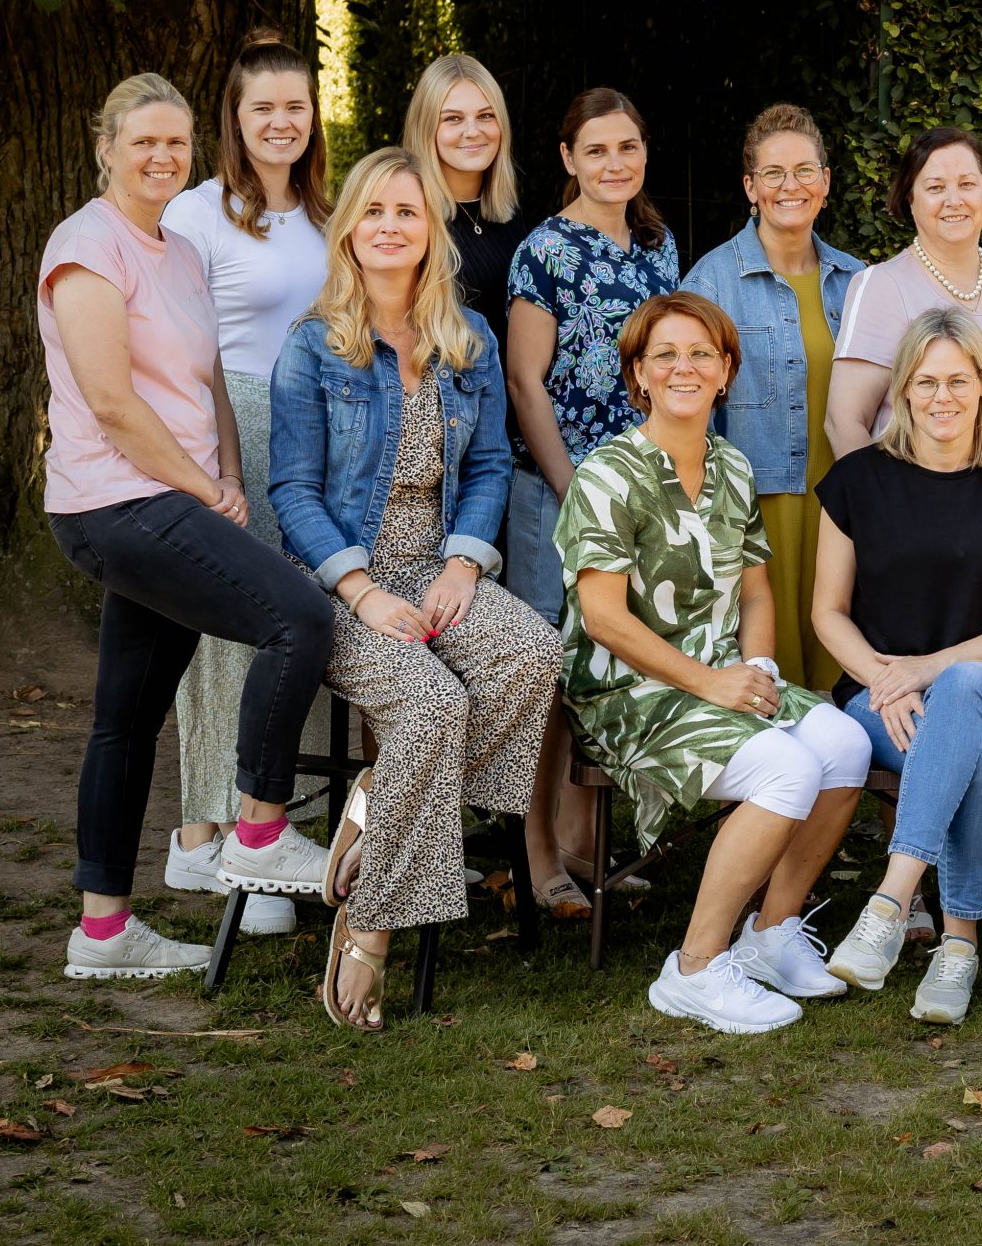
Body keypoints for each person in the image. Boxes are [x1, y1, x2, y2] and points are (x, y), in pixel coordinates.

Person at [38, 74, 333, 983]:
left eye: (176, 142)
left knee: (125, 720)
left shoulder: (175, 249)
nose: (162, 156)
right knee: (299, 618)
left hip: (174, 495)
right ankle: (259, 832)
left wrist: (229, 475)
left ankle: (102, 933)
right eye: (144, 142)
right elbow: (113, 405)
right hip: (115, 503)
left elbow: (210, 380)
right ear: (106, 149)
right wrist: (202, 489)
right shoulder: (87, 246)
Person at [268, 148, 562, 1032]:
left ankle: (380, 808)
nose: (391, 226)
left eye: (407, 212)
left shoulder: (466, 340)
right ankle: (371, 928)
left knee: (533, 654)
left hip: (437, 568)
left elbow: (488, 467)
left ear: (432, 229)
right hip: (339, 581)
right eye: (374, 211)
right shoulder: (313, 347)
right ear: (349, 230)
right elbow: (292, 493)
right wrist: (361, 591)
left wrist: (466, 562)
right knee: (432, 704)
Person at [558, 292, 871, 1034]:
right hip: (628, 694)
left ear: (726, 370)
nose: (684, 368)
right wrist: (713, 684)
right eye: (664, 354)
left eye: (701, 353)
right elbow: (603, 620)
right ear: (638, 374)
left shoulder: (731, 466)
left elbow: (756, 591)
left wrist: (757, 670)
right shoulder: (608, 474)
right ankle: (694, 969)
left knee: (845, 744)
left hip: (721, 674)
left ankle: (770, 933)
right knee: (785, 768)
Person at [813, 309, 982, 1024]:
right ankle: (960, 946)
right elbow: (828, 611)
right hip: (879, 695)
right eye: (925, 381)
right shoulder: (858, 480)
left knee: (963, 688)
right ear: (902, 389)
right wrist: (883, 677)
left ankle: (890, 900)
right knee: (980, 757)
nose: (941, 396)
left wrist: (926, 669)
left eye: (957, 380)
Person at [156, 29, 333, 942]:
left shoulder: (326, 211)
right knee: (234, 637)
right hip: (235, 429)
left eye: (295, 106)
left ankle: (272, 823)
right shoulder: (198, 213)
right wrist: (207, 465)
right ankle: (217, 832)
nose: (280, 122)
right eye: (262, 107)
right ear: (234, 116)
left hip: (318, 431)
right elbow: (172, 343)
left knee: (310, 628)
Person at [506, 87, 680, 917]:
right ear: (569, 159)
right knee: (545, 668)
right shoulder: (544, 250)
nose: (615, 163)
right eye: (597, 150)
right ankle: (537, 849)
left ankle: (585, 840)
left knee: (604, 661)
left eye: (628, 147)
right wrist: (574, 490)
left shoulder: (657, 245)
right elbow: (525, 382)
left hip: (637, 486)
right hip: (560, 490)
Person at [682, 103, 864, 695]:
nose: (791, 186)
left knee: (841, 673)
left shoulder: (860, 283)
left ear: (826, 182)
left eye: (805, 170)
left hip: (842, 503)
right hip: (756, 509)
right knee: (770, 677)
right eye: (774, 173)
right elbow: (685, 406)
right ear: (750, 187)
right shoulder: (710, 283)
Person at [827, 126, 982, 478]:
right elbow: (844, 421)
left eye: (967, 184)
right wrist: (880, 504)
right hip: (916, 507)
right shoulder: (882, 286)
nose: (954, 199)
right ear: (910, 199)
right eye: (935, 187)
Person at [403, 53, 528, 359]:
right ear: (426, 127)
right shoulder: (408, 217)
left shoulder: (509, 214)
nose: (473, 131)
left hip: (510, 386)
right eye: (453, 119)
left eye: (485, 116)